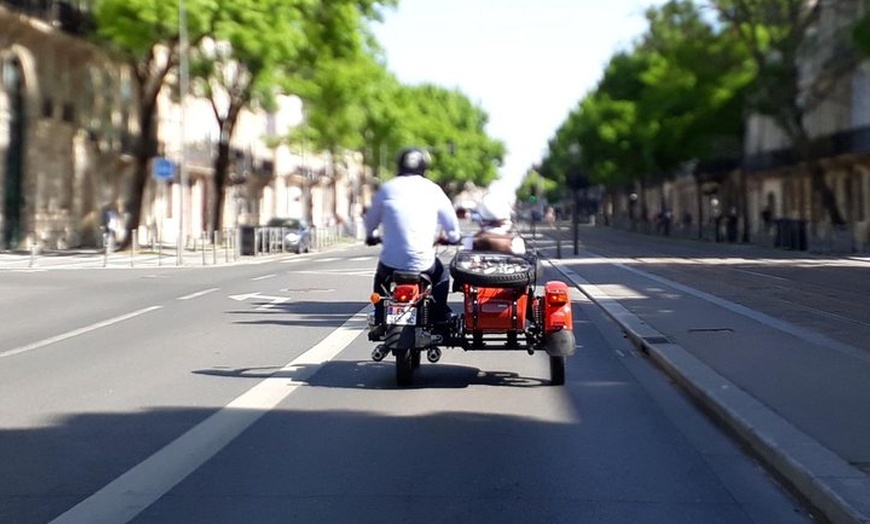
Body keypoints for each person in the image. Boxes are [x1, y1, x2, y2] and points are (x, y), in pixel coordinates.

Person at [364, 147, 462, 338]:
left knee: (380, 280)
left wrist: (371, 235)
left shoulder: (387, 188)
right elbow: (451, 225)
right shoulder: (433, 189)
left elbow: (370, 220)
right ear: (424, 166)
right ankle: (439, 316)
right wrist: (452, 237)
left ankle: (379, 316)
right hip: (423, 263)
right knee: (442, 278)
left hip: (391, 263)